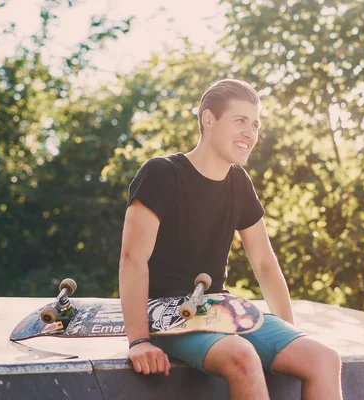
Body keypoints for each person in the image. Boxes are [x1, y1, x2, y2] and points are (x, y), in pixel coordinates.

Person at [119, 78, 343, 399]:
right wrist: (138, 341)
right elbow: (133, 259)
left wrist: (289, 335)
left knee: (323, 358)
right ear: (209, 119)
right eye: (240, 121)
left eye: (255, 125)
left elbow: (265, 264)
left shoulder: (239, 182)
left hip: (216, 307)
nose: (250, 134)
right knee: (241, 355)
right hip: (164, 313)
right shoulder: (161, 173)